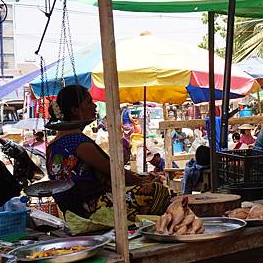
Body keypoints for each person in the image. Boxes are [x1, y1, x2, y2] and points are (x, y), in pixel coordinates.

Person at [46, 85, 170, 220]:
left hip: (74, 210)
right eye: (89, 102)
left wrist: (141, 177)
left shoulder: (54, 144)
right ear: (75, 110)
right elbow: (116, 173)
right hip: (90, 209)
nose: (94, 107)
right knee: (157, 190)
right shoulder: (77, 141)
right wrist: (143, 180)